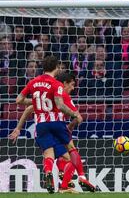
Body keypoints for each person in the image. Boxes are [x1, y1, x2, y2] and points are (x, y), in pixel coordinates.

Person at [9, 72, 96, 192]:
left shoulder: (47, 94)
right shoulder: (62, 95)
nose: (73, 88)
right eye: (72, 85)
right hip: (56, 129)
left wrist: (18, 128)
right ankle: (67, 182)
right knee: (70, 155)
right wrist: (70, 125)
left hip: (42, 130)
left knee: (55, 156)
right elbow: (78, 117)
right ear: (64, 84)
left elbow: (28, 109)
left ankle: (58, 179)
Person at [15, 56, 82, 194]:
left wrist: (36, 100)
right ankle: (78, 177)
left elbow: (19, 100)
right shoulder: (56, 84)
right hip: (56, 122)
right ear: (56, 68)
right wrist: (74, 114)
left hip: (40, 124)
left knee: (48, 155)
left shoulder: (33, 82)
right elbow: (59, 104)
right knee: (71, 150)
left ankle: (49, 173)